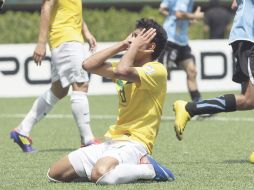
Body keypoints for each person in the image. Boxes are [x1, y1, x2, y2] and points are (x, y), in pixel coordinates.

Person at [47, 18, 175, 184]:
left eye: (138, 38)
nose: (132, 40)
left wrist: (133, 46)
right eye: (132, 35)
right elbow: (88, 64)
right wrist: (123, 45)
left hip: (135, 144)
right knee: (55, 173)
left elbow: (122, 70)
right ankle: (112, 168)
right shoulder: (124, 66)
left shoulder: (157, 70)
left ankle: (150, 169)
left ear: (151, 47)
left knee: (99, 174)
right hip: (111, 142)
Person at [10, 0, 98, 153]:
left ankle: (22, 130)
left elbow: (72, 11)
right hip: (66, 39)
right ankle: (87, 139)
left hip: (67, 39)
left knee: (59, 90)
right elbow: (46, 7)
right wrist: (41, 43)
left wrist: (86, 32)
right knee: (81, 85)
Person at [173, 0, 254, 158]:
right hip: (249, 41)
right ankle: (189, 108)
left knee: (248, 100)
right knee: (250, 99)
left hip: (245, 39)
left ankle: (190, 109)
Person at [158, 0, 204, 102]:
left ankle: (198, 105)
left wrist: (186, 19)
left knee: (192, 71)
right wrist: (194, 16)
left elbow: (162, 9)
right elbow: (179, 14)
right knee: (161, 75)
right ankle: (145, 106)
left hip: (182, 42)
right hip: (170, 41)